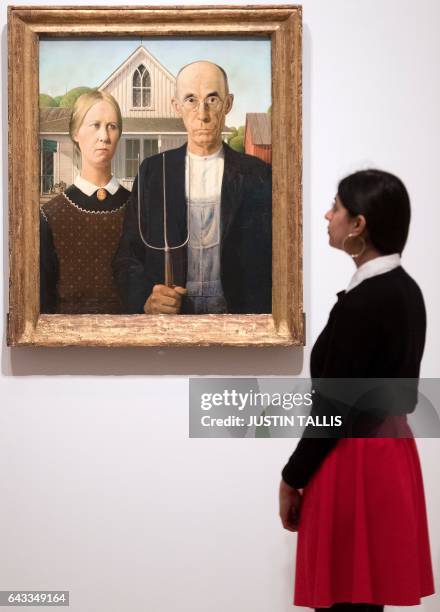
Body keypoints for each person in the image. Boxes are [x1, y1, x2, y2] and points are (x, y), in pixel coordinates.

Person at [279, 170, 434, 611]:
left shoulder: (365, 301)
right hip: (391, 457)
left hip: (353, 461)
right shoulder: (406, 291)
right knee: (365, 603)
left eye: (337, 208)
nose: (327, 216)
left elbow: (334, 407)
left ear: (359, 225)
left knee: (347, 602)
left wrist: (292, 477)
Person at [112, 60, 272, 315]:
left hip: (239, 324)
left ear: (228, 104)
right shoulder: (155, 172)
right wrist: (146, 299)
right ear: (177, 106)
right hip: (172, 326)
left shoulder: (257, 174)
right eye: (191, 100)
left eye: (212, 99)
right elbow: (127, 257)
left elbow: (272, 261)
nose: (202, 114)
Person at [40, 91, 130, 314]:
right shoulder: (49, 216)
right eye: (95, 125)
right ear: (75, 133)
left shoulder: (138, 208)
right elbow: (43, 304)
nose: (104, 137)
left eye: (112, 126)